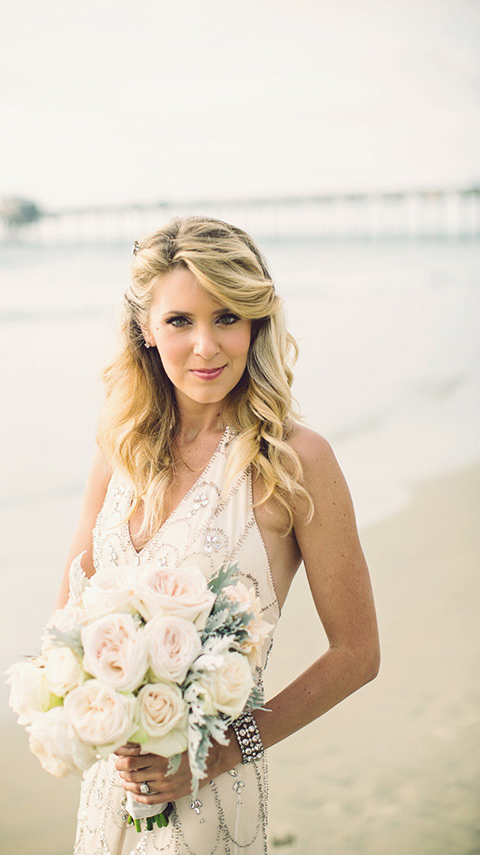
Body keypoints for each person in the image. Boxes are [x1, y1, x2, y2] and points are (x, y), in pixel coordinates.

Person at [55, 216, 380, 855]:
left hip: (214, 798)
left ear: (256, 323)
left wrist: (227, 750)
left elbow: (357, 656)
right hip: (113, 789)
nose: (206, 346)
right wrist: (102, 717)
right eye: (180, 321)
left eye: (228, 317)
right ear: (146, 329)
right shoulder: (116, 451)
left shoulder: (295, 461)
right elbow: (68, 618)